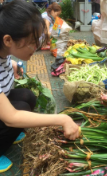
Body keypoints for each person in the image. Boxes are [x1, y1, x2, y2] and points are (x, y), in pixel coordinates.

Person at [0, 0, 79, 173]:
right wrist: (62, 119)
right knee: (17, 112)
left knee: (27, 96)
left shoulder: (3, 49)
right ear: (8, 40)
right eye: (32, 41)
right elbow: (10, 117)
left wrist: (12, 64)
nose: (37, 47)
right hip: (4, 114)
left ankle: (9, 134)